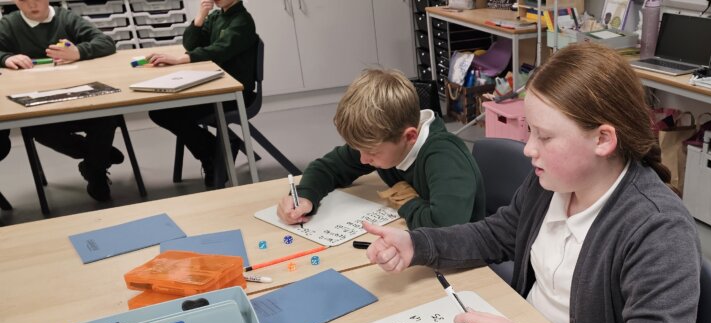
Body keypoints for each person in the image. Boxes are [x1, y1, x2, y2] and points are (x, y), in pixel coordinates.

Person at [361, 42, 701, 323]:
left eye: (544, 136)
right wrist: (419, 246)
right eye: (529, 132)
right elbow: (495, 234)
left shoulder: (657, 229)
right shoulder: (552, 183)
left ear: (603, 139)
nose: (528, 149)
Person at [276, 69, 485, 229]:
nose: (364, 160)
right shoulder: (383, 142)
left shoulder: (444, 157)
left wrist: (408, 202)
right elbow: (327, 168)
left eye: (372, 153)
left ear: (410, 136)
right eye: (360, 150)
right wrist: (305, 196)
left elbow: (444, 228)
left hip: (465, 263)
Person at [0, 0, 122, 201]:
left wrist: (79, 52)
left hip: (79, 96)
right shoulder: (8, 24)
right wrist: (5, 58)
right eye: (24, 0)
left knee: (105, 118)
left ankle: (95, 169)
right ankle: (99, 157)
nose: (32, 5)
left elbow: (106, 42)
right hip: (38, 102)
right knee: (38, 129)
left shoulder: (65, 18)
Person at [146, 0, 257, 189]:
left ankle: (213, 156)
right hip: (215, 87)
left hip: (234, 94)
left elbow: (220, 50)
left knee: (164, 112)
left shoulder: (242, 21)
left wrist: (181, 60)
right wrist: (200, 17)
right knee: (159, 111)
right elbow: (191, 44)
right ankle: (216, 152)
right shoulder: (216, 16)